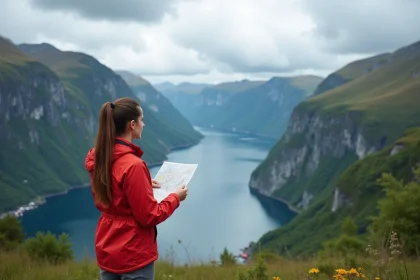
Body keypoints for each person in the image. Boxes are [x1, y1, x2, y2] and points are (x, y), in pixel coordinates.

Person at [85, 97, 188, 280]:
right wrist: (175, 198)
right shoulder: (134, 165)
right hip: (133, 252)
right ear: (132, 124)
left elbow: (111, 193)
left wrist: (142, 184)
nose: (144, 124)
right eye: (141, 120)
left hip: (107, 246)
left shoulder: (100, 158)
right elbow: (149, 216)